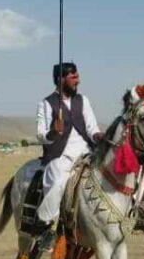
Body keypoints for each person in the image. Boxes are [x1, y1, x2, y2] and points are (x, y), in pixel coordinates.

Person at [34, 62, 103, 232]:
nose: (78, 80)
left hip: (86, 152)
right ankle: (46, 225)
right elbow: (41, 135)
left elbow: (92, 127)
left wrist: (99, 136)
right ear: (60, 79)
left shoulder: (83, 100)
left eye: (77, 76)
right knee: (57, 183)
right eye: (73, 77)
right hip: (60, 156)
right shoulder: (46, 103)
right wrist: (53, 132)